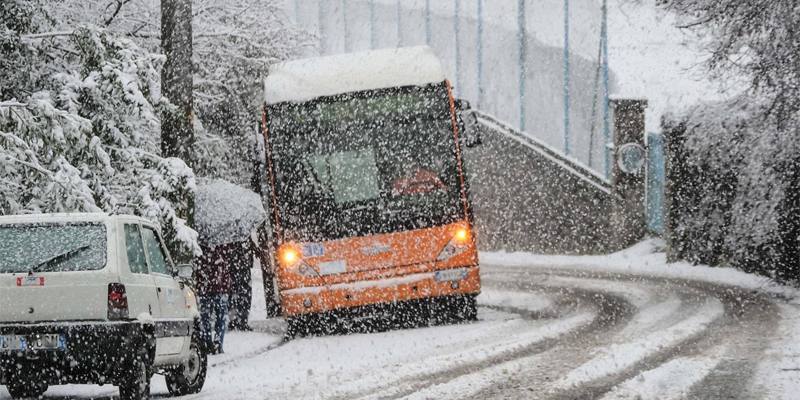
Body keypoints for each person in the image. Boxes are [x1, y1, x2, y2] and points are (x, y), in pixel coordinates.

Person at [195, 243, 231, 354]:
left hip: (206, 290)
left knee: (205, 319)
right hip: (218, 290)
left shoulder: (200, 250)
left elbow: (198, 271)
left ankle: (208, 342)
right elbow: (225, 272)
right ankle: (218, 343)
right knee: (220, 318)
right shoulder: (222, 249)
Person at [227, 240, 253, 331]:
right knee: (241, 295)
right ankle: (239, 320)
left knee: (240, 295)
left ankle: (239, 320)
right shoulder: (242, 238)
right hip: (238, 269)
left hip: (238, 269)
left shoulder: (239, 239)